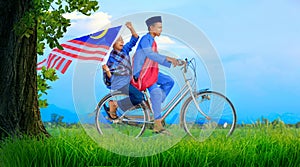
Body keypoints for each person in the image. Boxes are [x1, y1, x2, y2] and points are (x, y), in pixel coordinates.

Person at [131, 16, 180, 133]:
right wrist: (169, 58)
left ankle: (155, 102)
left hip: (150, 71)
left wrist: (177, 61)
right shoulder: (145, 39)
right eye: (159, 27)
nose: (161, 30)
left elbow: (154, 59)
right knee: (157, 93)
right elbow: (150, 55)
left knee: (169, 81)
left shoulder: (152, 40)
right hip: (142, 72)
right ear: (151, 27)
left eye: (161, 27)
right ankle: (157, 124)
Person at [102, 22, 144, 119]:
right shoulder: (111, 59)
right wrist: (107, 71)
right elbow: (111, 78)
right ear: (113, 44)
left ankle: (147, 113)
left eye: (122, 40)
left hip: (127, 80)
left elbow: (135, 38)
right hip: (119, 83)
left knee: (142, 93)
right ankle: (115, 104)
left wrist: (131, 28)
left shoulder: (124, 50)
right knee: (139, 97)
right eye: (119, 41)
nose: (122, 42)